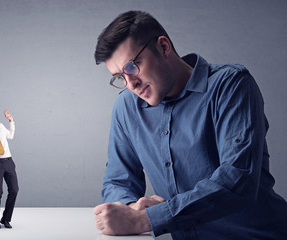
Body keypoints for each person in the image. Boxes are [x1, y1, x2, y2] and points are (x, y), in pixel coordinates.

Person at [93, 11, 287, 239]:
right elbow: (118, 179)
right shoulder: (127, 107)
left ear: (164, 47)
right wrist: (130, 208)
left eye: (132, 67)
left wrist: (146, 219)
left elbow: (238, 179)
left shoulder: (231, 85)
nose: (131, 84)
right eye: (120, 77)